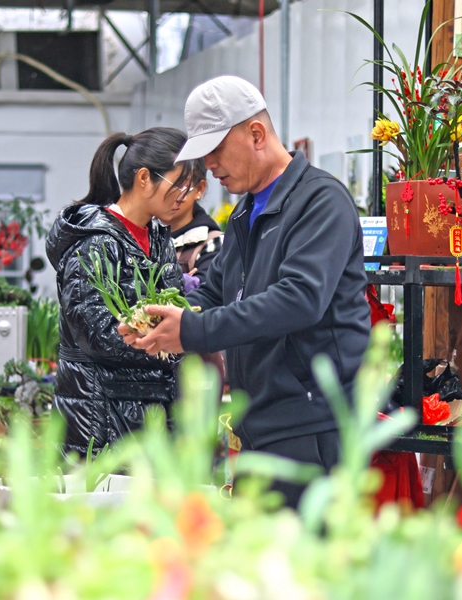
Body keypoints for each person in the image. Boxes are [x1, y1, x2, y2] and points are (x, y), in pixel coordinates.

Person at [120, 76, 371, 508]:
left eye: (216, 150)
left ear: (256, 133)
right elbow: (216, 290)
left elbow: (298, 300)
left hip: (314, 430)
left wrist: (194, 330)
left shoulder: (319, 202)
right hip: (259, 428)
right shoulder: (246, 212)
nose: (209, 167)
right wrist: (163, 317)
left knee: (308, 569)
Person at [46, 127, 191, 457]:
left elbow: (177, 308)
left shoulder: (159, 239)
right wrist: (167, 338)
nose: (186, 194)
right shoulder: (94, 242)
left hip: (151, 413)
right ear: (144, 178)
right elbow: (96, 335)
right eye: (179, 183)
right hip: (100, 418)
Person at [164, 160, 223, 292]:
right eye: (163, 183)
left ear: (199, 189)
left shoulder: (213, 243)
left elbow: (206, 294)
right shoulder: (142, 237)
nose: (169, 193)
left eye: (179, 185)